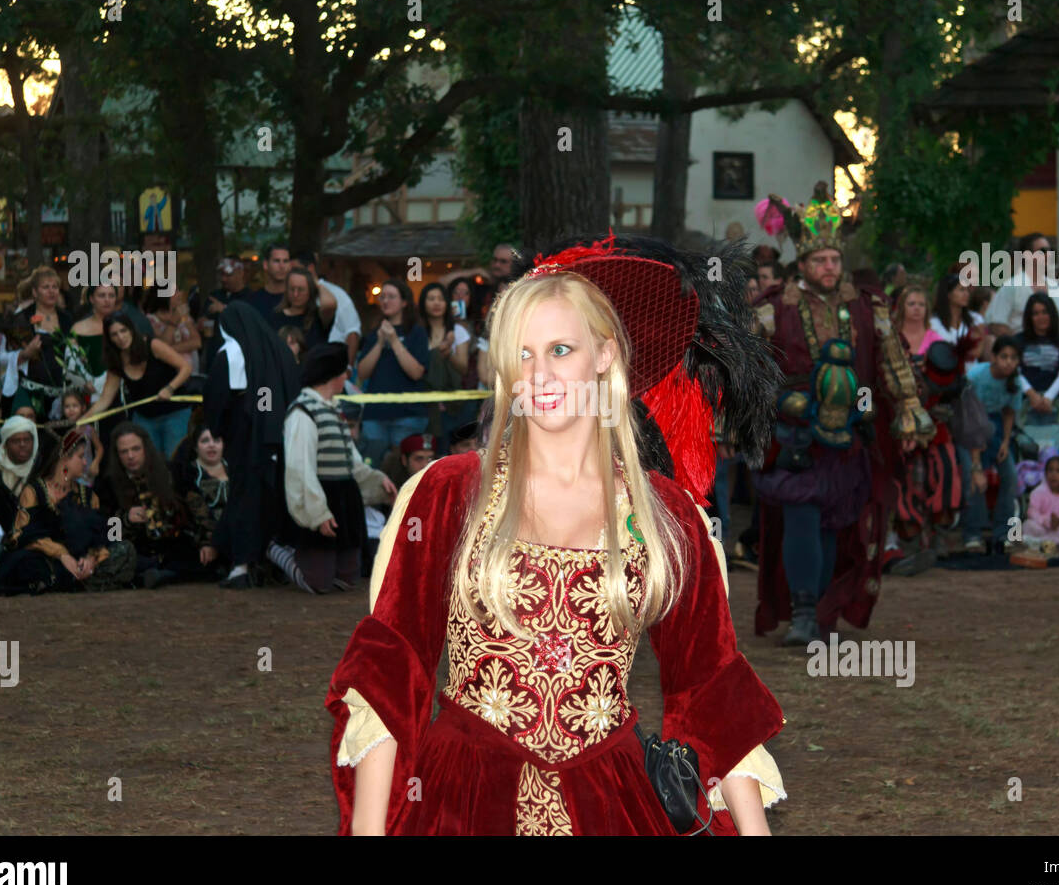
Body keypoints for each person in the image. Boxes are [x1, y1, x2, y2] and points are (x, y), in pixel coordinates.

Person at [326, 233, 785, 836]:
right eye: (522, 354)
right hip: (462, 799)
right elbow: (393, 667)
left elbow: (710, 686)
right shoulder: (445, 495)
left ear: (604, 355)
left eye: (560, 349)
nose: (537, 374)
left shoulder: (667, 517)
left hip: (614, 803)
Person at [752, 186, 935, 645]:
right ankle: (803, 611)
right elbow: (749, 368)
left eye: (835, 259)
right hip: (794, 432)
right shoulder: (774, 309)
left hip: (853, 432)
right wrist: (758, 409)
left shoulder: (868, 305)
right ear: (803, 264)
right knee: (801, 514)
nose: (830, 267)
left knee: (837, 519)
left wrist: (909, 410)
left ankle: (825, 611)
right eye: (820, 261)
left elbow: (893, 362)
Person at [279, 344, 393, 594]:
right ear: (332, 375)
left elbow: (351, 461)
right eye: (343, 372)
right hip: (322, 495)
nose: (346, 377)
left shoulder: (335, 410)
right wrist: (317, 513)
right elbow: (301, 468)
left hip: (344, 499)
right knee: (318, 583)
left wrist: (377, 481)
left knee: (347, 579)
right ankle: (277, 550)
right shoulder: (303, 411)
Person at [203, 303, 302, 589]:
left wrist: (218, 428)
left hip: (245, 440)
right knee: (272, 497)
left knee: (245, 497)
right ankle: (278, 560)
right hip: (279, 438)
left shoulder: (231, 354)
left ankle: (242, 565)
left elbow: (216, 398)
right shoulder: (279, 350)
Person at [0, 429, 137, 596]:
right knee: (25, 563)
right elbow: (23, 534)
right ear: (64, 459)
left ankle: (74, 580)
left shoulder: (89, 495)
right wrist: (62, 555)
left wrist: (91, 559)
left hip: (80, 561)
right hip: (48, 558)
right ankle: (77, 581)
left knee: (125, 549)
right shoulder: (34, 491)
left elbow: (102, 535)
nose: (85, 462)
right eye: (81, 457)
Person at [886, 286, 963, 575]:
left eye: (921, 303)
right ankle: (911, 540)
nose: (916, 308)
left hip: (935, 421)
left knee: (943, 473)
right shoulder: (890, 341)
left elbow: (954, 382)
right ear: (901, 307)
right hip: (902, 423)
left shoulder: (937, 341)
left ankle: (938, 537)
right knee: (905, 479)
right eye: (911, 303)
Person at [99, 422, 207, 588]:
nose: (130, 456)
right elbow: (106, 532)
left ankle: (161, 575)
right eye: (124, 451)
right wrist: (125, 519)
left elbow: (199, 509)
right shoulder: (108, 484)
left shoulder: (173, 472)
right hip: (138, 551)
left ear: (146, 449)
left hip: (176, 546)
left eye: (136, 449)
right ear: (117, 455)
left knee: (204, 559)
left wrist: (207, 543)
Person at [77, 313, 193, 457]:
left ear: (131, 330)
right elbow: (105, 400)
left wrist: (170, 388)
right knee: (147, 462)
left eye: (123, 330)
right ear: (109, 339)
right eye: (114, 334)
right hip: (145, 417)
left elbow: (186, 367)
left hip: (174, 414)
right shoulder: (116, 361)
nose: (120, 337)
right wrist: (85, 419)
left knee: (174, 459)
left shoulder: (152, 345)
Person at [356, 279, 430, 464]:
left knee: (406, 471)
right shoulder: (374, 333)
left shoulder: (416, 332)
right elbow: (363, 373)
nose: (385, 301)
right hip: (376, 414)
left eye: (391, 297)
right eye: (382, 297)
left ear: (404, 302)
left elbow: (416, 372)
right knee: (375, 467)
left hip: (408, 415)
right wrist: (380, 343)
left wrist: (395, 341)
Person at [961, 336, 1023, 554]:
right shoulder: (976, 376)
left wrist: (1006, 442)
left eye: (1013, 358)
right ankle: (973, 534)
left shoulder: (1016, 382)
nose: (1008, 362)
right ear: (993, 357)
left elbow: (1009, 412)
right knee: (973, 477)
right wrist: (977, 462)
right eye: (1004, 356)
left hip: (996, 427)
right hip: (968, 426)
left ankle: (1004, 535)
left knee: (1010, 476)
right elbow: (967, 417)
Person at [6, 266, 75, 419]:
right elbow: (6, 357)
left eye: (55, 287)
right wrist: (25, 354)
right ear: (35, 292)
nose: (51, 291)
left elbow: (74, 354)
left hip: (61, 396)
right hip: (29, 394)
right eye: (46, 287)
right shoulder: (22, 319)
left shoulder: (67, 319)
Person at [1015, 293, 1059, 459]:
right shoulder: (1018, 341)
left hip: (1055, 403)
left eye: (1044, 312)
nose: (1041, 317)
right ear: (1029, 317)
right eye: (1035, 313)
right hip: (1026, 403)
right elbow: (1015, 371)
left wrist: (1048, 397)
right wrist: (1032, 395)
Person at [985, 232, 1059, 337]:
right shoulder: (1011, 286)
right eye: (1043, 251)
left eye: (1051, 250)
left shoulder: (1056, 287)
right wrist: (1021, 346)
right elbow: (996, 324)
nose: (1049, 255)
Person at [174, 424, 230, 579]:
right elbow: (197, 514)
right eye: (205, 441)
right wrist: (208, 542)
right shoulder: (188, 475)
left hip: (232, 532)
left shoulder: (236, 471)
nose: (211, 445)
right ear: (196, 447)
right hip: (200, 535)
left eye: (216, 440)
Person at [418, 281, 471, 444]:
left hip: (451, 398)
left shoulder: (458, 331)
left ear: (447, 303)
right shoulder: (416, 332)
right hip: (422, 397)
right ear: (423, 303)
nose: (436, 303)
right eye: (431, 299)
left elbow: (463, 368)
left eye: (440, 299)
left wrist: (448, 353)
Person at [295, 249, 362, 362]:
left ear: (310, 268)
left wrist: (349, 367)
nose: (292, 275)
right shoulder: (293, 296)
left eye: (296, 270)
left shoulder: (337, 294)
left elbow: (352, 332)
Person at [0, 415, 40, 533]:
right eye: (16, 441)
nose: (22, 445)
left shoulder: (41, 468)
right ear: (5, 444)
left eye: (27, 440)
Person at [268, 264, 334, 352]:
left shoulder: (317, 317)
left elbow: (330, 304)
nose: (295, 294)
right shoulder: (275, 317)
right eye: (292, 289)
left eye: (301, 289)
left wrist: (316, 283)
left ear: (310, 290)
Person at [68, 282, 120, 389]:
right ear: (91, 299)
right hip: (89, 388)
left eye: (111, 295)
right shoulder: (78, 328)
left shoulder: (124, 326)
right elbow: (71, 363)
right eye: (101, 295)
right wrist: (82, 383)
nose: (107, 300)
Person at [929, 270, 985, 366]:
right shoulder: (933, 322)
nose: (966, 294)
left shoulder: (976, 319)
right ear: (948, 294)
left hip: (970, 369)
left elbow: (978, 351)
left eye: (967, 290)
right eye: (961, 290)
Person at [1021, 455, 1059, 547]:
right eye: (1050, 470)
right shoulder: (1038, 492)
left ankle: (1041, 541)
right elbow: (1032, 512)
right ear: (1045, 473)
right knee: (1029, 525)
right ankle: (1057, 540)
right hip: (1042, 526)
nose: (1054, 474)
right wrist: (1047, 521)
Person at [145, 284, 202, 375]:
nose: (180, 294)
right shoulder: (151, 320)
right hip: (167, 375)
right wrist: (173, 322)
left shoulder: (183, 315)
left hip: (191, 374)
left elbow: (197, 342)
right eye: (175, 291)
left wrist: (168, 350)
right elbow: (163, 344)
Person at [60, 389, 102, 485]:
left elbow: (99, 448)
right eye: (67, 406)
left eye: (75, 406)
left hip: (86, 474)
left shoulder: (88, 429)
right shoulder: (62, 430)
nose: (71, 409)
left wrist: (96, 463)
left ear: (83, 408)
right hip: (68, 474)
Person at [242, 242, 291, 320]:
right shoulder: (253, 300)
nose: (282, 266)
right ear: (265, 265)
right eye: (276, 261)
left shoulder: (296, 297)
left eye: (285, 261)